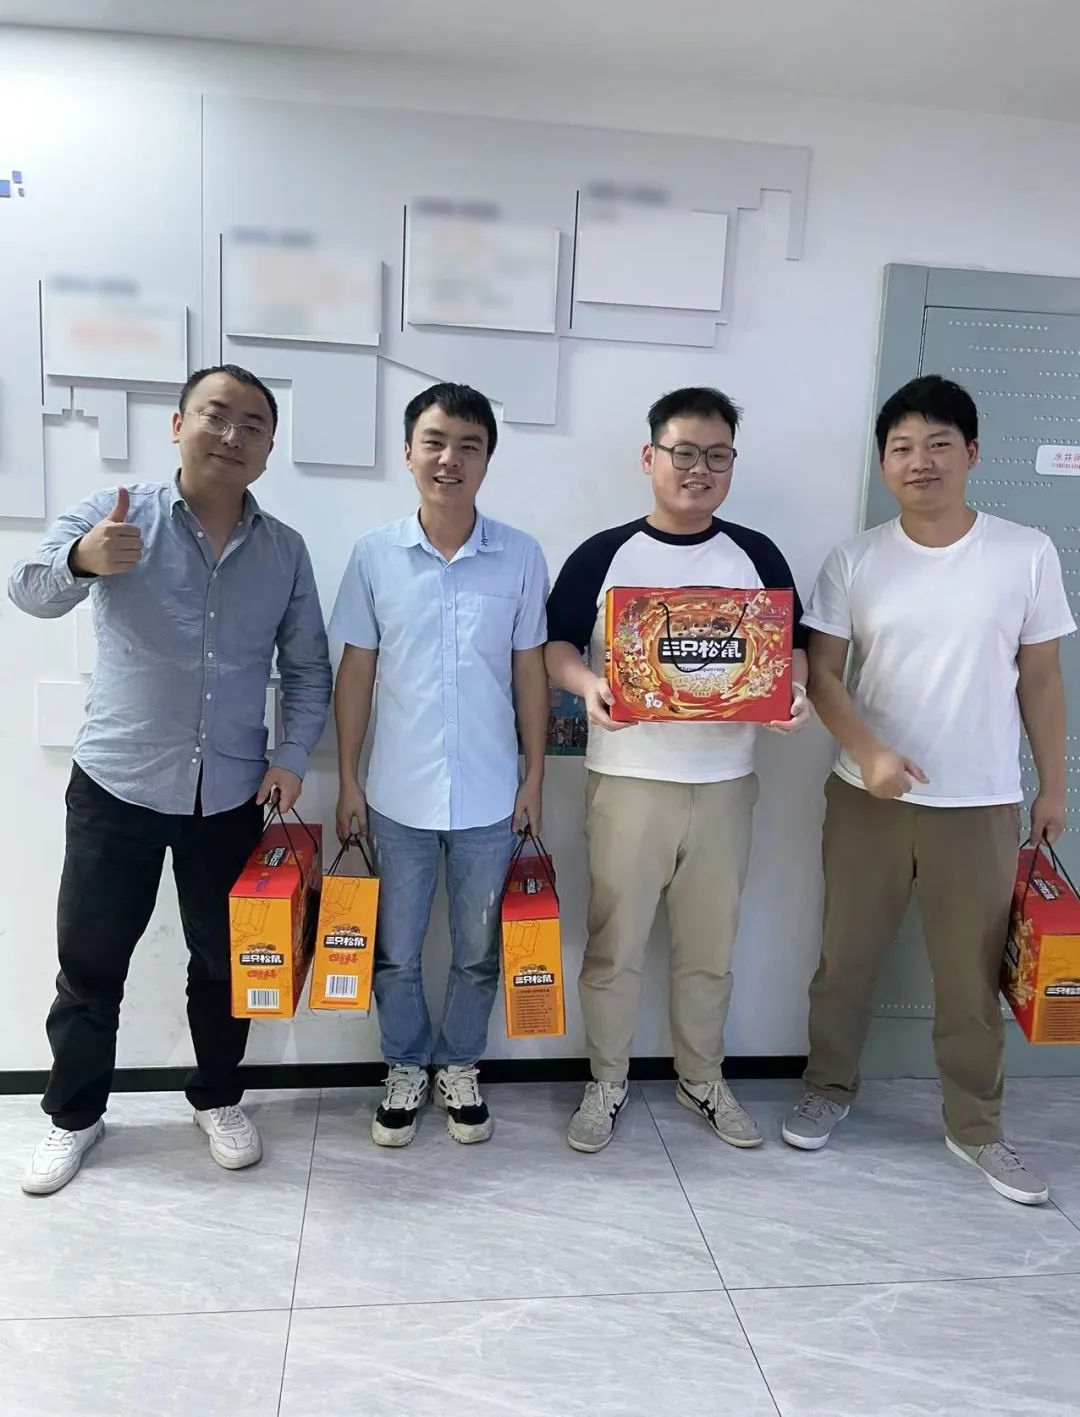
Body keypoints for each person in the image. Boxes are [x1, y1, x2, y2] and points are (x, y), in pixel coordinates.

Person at [9, 364, 332, 1195]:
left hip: (230, 793)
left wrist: (292, 755)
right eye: (216, 415)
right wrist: (81, 560)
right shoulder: (117, 514)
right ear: (178, 423)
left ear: (268, 449)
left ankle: (218, 1098)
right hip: (117, 782)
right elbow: (27, 590)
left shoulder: (285, 550)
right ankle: (74, 1115)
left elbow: (308, 669)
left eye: (253, 425)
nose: (232, 435)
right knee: (90, 965)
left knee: (226, 962)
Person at [782, 375, 1074, 1206]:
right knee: (846, 959)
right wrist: (870, 751)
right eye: (903, 447)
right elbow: (824, 675)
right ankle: (827, 1087)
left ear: (971, 453)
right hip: (865, 798)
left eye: (939, 444)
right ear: (884, 463)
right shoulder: (854, 558)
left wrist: (1053, 786)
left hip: (979, 804)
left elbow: (1042, 681)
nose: (921, 461)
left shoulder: (1025, 552)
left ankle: (976, 1125)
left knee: (971, 978)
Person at [545, 387, 810, 1154]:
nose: (700, 469)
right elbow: (556, 646)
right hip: (627, 781)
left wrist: (791, 692)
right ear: (649, 456)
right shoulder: (603, 553)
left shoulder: (757, 554)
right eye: (684, 452)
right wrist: (588, 684)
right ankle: (607, 1080)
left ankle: (703, 1077)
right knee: (614, 945)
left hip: (726, 783)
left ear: (732, 463)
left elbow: (790, 648)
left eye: (717, 455)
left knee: (709, 948)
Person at [332, 382, 549, 1148]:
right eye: (434, 441)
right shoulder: (375, 556)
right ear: (408, 452)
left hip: (492, 796)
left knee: (478, 951)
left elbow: (530, 673)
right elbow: (357, 671)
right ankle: (404, 1065)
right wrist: (349, 777)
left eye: (468, 445)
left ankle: (459, 1065)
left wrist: (534, 775)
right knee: (394, 951)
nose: (449, 458)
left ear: (487, 459)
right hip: (396, 795)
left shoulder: (520, 556)